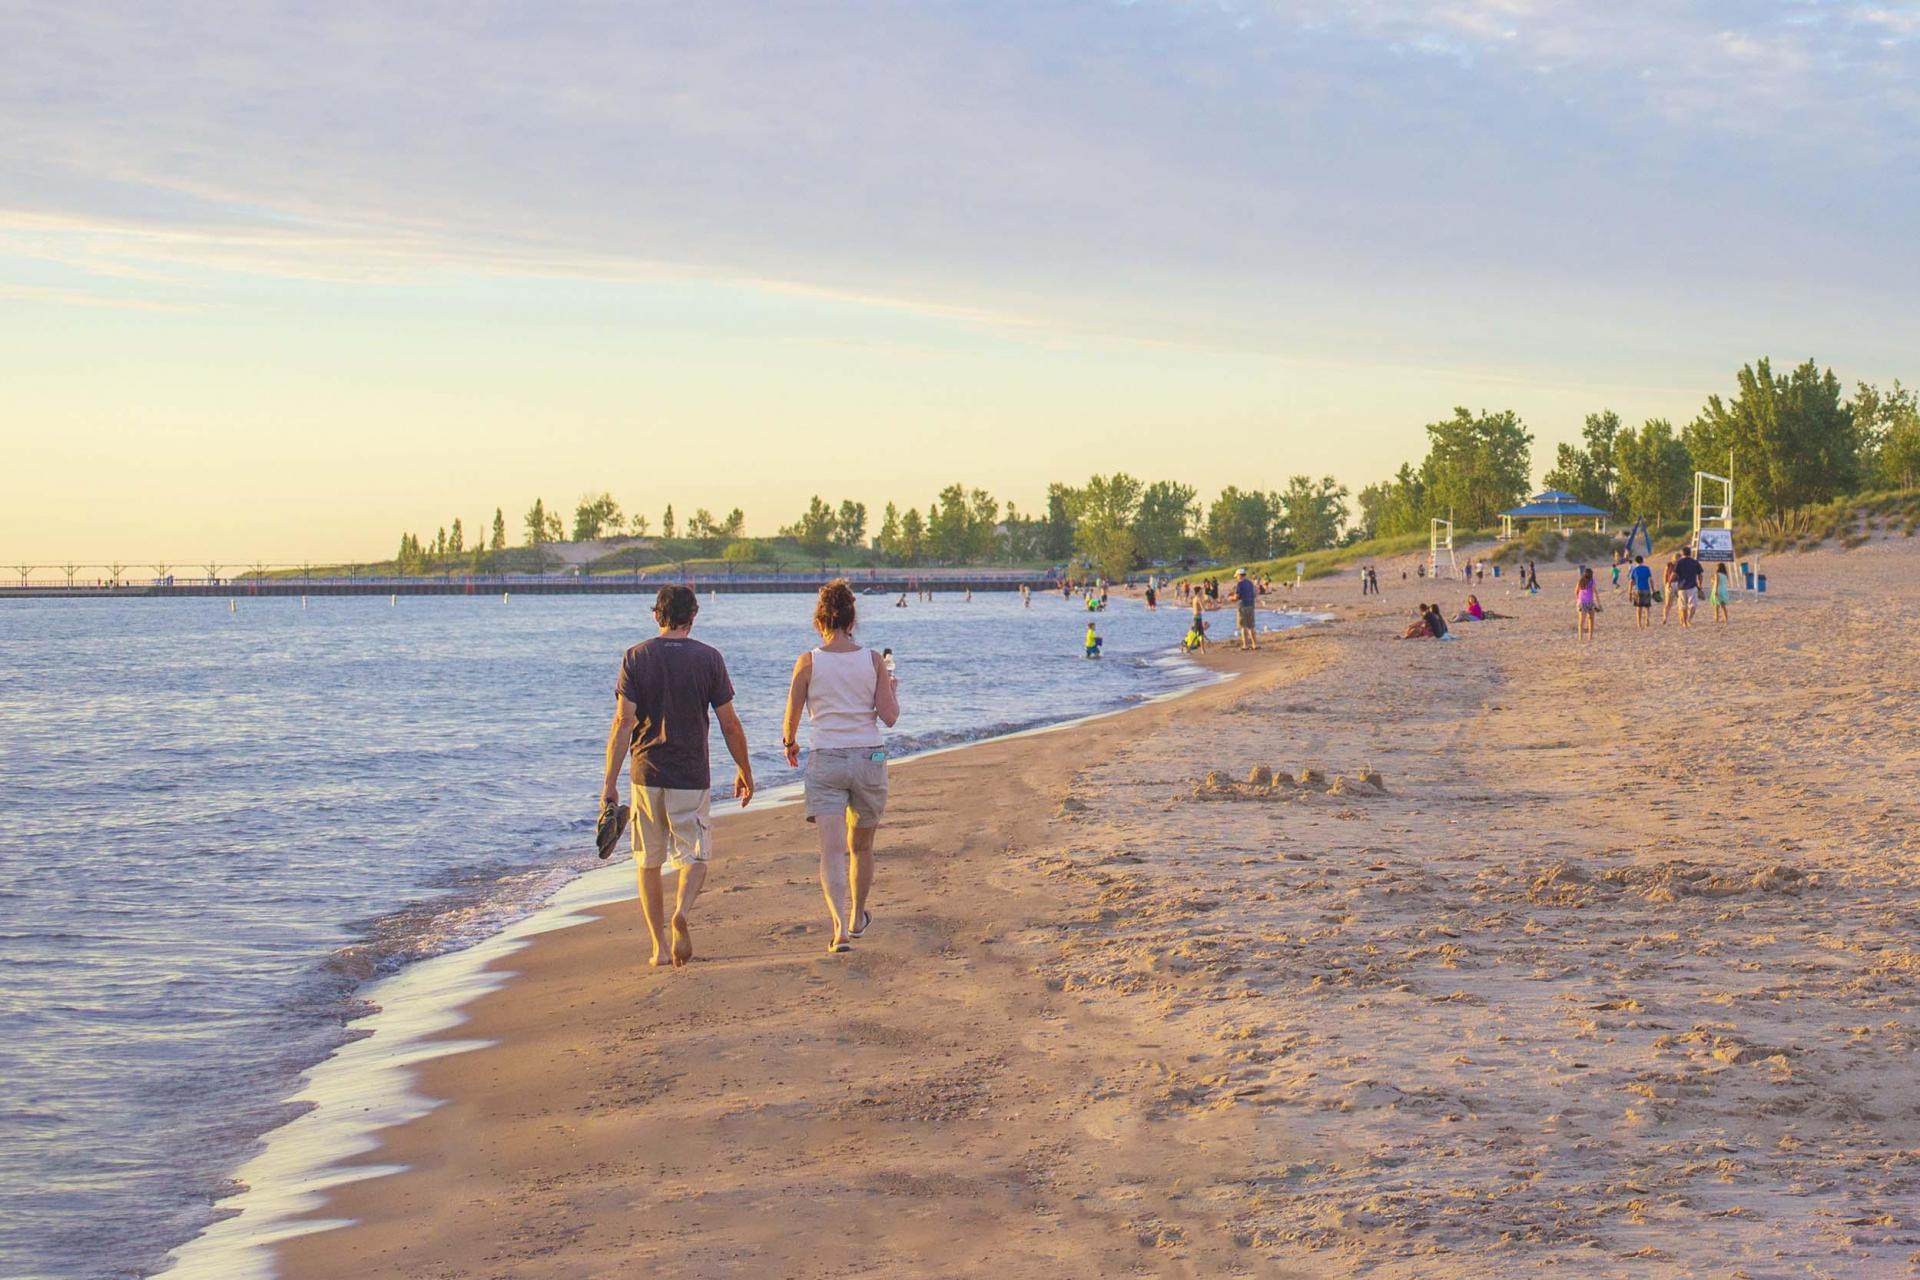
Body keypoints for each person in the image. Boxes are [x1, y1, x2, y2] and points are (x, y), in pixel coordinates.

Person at [601, 585, 754, 970]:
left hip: (645, 773)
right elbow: (729, 724)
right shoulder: (709, 658)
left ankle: (660, 948)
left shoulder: (636, 657)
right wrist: (744, 769)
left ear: (657, 615)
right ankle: (681, 911)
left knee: (647, 861)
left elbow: (623, 721)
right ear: (693, 617)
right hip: (690, 774)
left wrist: (609, 781)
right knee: (695, 855)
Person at [781, 580, 900, 954]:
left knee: (831, 850)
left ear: (820, 621)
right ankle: (858, 915)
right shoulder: (873, 660)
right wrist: (893, 688)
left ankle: (838, 926)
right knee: (862, 847)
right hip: (871, 757)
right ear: (853, 618)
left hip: (826, 757)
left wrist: (790, 744)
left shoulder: (808, 661)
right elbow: (890, 717)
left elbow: (791, 717)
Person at [1672, 546, 1705, 628]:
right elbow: (1700, 575)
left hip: (1682, 587)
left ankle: (1685, 622)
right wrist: (1700, 584)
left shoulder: (1679, 562)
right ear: (1690, 553)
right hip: (1692, 586)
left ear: (1682, 553)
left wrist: (1669, 582)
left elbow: (1674, 574)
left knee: (1683, 606)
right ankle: (1688, 620)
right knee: (1693, 605)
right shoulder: (1695, 562)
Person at [1231, 567, 1258, 651]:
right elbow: (1255, 594)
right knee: (1251, 626)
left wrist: (1231, 598)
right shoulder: (1250, 583)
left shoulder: (1240, 584)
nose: (1236, 578)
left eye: (1237, 576)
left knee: (1243, 626)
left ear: (1240, 575)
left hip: (1242, 606)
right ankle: (1254, 644)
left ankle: (1245, 645)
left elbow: (1237, 597)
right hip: (1251, 605)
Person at [1628, 555, 1653, 628]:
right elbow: (1651, 580)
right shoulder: (1647, 569)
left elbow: (1631, 582)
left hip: (1637, 589)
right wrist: (1653, 589)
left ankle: (1639, 623)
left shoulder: (1634, 570)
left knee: (1639, 608)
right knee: (1647, 607)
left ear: (1636, 561)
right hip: (1646, 588)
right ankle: (1647, 620)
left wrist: (1629, 593)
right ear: (1643, 561)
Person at [1575, 566, 1598, 640]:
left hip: (1581, 602)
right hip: (1590, 602)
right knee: (1591, 619)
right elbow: (1595, 591)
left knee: (1581, 621)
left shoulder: (1581, 580)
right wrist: (1598, 602)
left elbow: (1576, 591)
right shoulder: (1592, 580)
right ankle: (1590, 637)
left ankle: (1580, 637)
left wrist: (1578, 600)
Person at [1660, 551, 1680, 625]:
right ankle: (1665, 618)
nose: (1677, 560)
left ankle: (1681, 618)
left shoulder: (1680, 565)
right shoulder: (1669, 565)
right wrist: (1666, 584)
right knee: (1668, 603)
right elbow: (1665, 575)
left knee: (1680, 602)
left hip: (1679, 584)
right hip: (1671, 584)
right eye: (1677, 559)